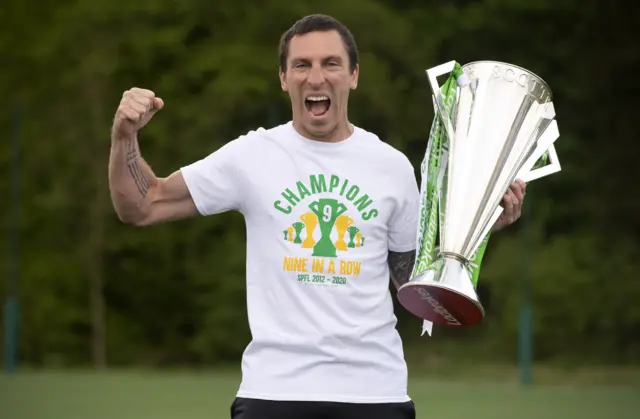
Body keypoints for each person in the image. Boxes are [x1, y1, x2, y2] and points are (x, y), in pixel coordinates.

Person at [108, 13, 526, 419]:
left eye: (331, 63)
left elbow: (414, 287)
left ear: (354, 75)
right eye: (301, 65)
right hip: (273, 392)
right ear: (284, 79)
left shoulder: (391, 166)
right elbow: (143, 205)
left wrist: (475, 230)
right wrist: (125, 136)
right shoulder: (252, 156)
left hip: (374, 394)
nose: (316, 76)